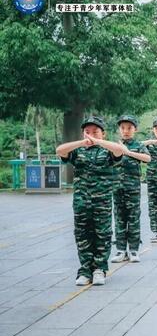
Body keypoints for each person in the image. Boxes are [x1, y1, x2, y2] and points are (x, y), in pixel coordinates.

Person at [56, 116, 125, 286]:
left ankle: (99, 269)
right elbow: (60, 150)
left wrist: (97, 141)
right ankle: (85, 270)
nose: (91, 135)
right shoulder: (77, 150)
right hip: (81, 201)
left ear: (103, 133)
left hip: (102, 202)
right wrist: (82, 142)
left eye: (95, 131)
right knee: (82, 235)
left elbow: (120, 150)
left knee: (103, 234)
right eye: (87, 131)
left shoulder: (107, 150)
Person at [111, 115, 151, 264]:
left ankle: (134, 249)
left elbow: (147, 158)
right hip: (117, 188)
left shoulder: (138, 145)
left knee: (133, 219)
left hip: (132, 188)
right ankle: (121, 250)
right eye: (123, 128)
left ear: (135, 129)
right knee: (119, 219)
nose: (126, 131)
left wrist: (128, 152)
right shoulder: (114, 145)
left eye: (129, 128)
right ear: (119, 130)